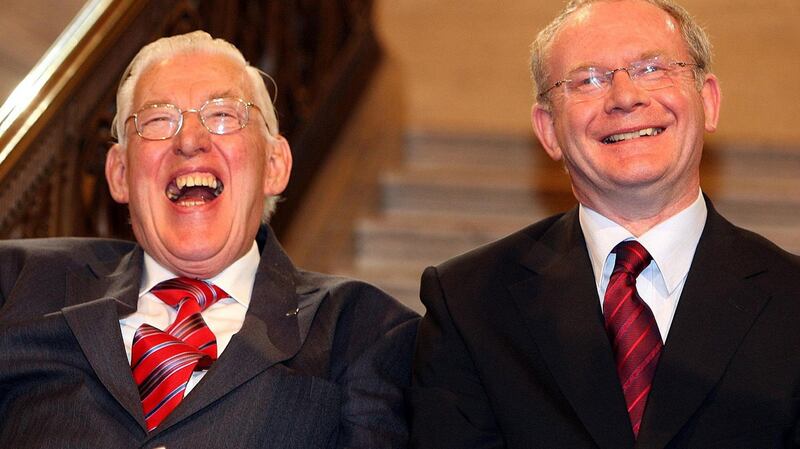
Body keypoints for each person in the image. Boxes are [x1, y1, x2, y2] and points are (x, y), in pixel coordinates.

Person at [408, 1, 800, 448]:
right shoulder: (467, 302)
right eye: (588, 80)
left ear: (708, 101)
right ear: (549, 129)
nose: (625, 97)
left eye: (652, 69)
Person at [0, 31, 418, 448]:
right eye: (158, 120)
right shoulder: (19, 283)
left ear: (275, 165)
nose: (189, 141)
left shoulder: (362, 329)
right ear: (120, 173)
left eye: (223, 115)